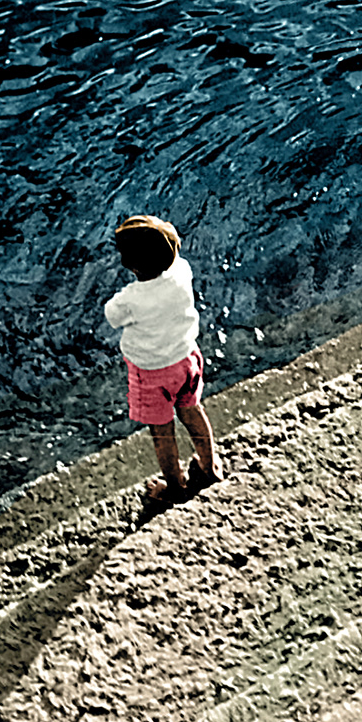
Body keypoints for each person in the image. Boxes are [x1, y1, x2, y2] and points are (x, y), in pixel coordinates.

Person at [104, 215, 221, 507]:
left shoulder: (132, 298)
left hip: (151, 373)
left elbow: (112, 315)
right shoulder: (182, 271)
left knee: (162, 433)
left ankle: (175, 487)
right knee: (193, 411)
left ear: (131, 265)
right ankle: (209, 466)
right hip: (186, 359)